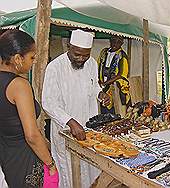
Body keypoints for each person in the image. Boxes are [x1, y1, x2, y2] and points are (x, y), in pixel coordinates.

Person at [42, 29, 110, 188]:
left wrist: (100, 95)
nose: (81, 59)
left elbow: (93, 87)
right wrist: (70, 122)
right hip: (65, 130)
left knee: (90, 168)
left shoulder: (92, 63)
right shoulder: (55, 67)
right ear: (68, 46)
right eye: (77, 54)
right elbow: (48, 102)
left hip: (88, 129)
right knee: (70, 173)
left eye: (85, 55)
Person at [0, 29, 58, 187]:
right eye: (32, 57)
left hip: (5, 156)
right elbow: (31, 135)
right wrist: (50, 164)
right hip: (23, 159)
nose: (33, 62)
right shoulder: (19, 85)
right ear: (18, 58)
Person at [98, 35, 131, 114]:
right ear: (110, 41)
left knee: (114, 109)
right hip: (103, 84)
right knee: (103, 106)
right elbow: (98, 65)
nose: (115, 44)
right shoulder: (104, 52)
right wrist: (98, 80)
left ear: (121, 43)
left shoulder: (122, 56)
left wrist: (106, 83)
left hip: (115, 86)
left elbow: (121, 75)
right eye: (113, 41)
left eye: (118, 42)